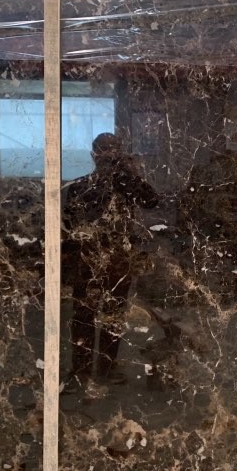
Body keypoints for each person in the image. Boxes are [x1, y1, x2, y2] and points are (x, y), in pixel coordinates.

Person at [63, 133, 158, 383]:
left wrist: (129, 173)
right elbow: (69, 227)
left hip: (114, 260)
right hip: (92, 259)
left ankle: (100, 369)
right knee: (87, 316)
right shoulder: (82, 187)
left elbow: (151, 200)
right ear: (94, 155)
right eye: (104, 152)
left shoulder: (124, 185)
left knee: (109, 315)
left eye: (112, 152)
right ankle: (86, 370)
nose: (107, 157)